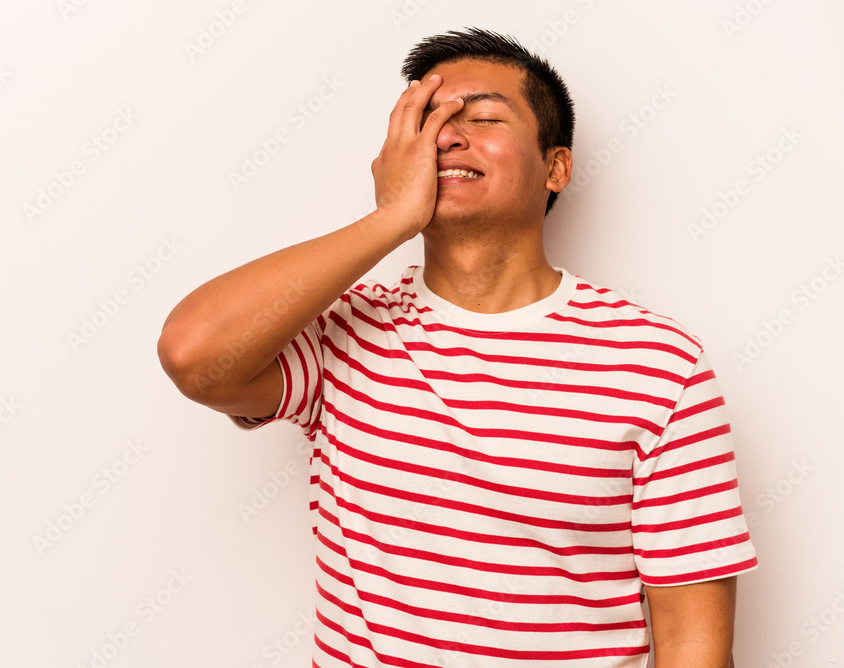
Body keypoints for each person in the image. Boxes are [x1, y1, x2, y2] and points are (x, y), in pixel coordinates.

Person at [157, 26, 758, 668]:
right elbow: (193, 354)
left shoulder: (657, 363)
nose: (445, 137)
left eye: (484, 117)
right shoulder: (345, 333)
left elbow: (693, 645)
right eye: (427, 122)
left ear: (556, 166)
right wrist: (391, 218)